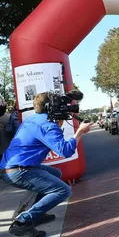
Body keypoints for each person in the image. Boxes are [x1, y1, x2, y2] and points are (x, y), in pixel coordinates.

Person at [0, 91, 93, 237]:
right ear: (50, 107)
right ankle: (22, 223)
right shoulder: (47, 125)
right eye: (60, 105)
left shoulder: (34, 119)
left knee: (56, 173)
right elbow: (66, 151)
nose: (65, 108)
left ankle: (38, 214)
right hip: (18, 171)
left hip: (12, 167)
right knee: (63, 190)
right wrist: (80, 132)